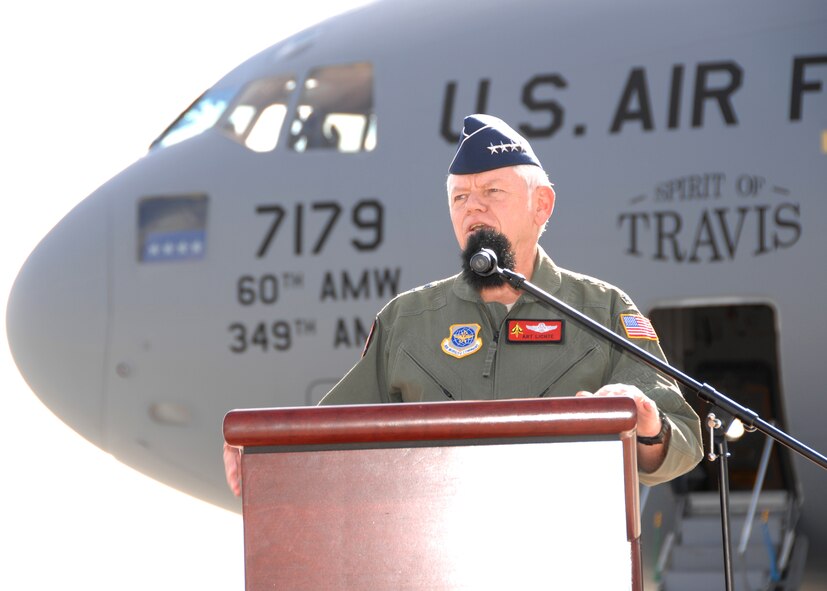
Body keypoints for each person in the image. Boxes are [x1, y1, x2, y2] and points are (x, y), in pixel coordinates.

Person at [223, 114, 703, 495]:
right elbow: (330, 435)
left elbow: (683, 439)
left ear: (542, 206)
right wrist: (263, 450)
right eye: (460, 198)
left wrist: (647, 425)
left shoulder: (601, 312)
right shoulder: (406, 322)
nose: (473, 208)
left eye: (492, 191)